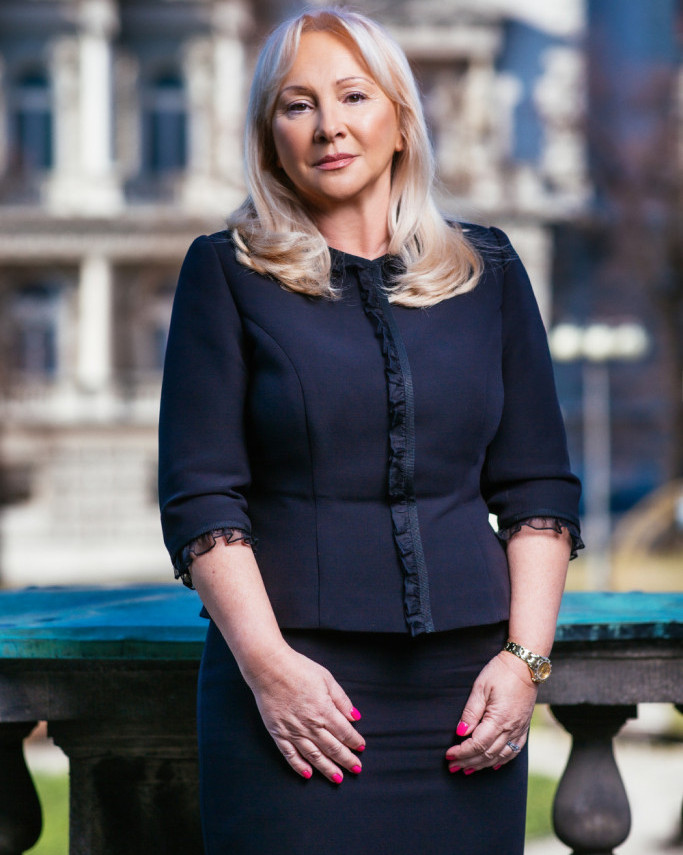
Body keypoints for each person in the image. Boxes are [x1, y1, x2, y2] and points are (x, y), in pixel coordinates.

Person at [158, 8, 583, 854]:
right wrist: (267, 667)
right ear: (269, 136)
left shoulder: (491, 269)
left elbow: (538, 488)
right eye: (297, 104)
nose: (329, 126)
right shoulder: (223, 272)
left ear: (400, 119)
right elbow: (202, 498)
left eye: (353, 96)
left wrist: (523, 662)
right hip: (294, 691)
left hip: (471, 697)